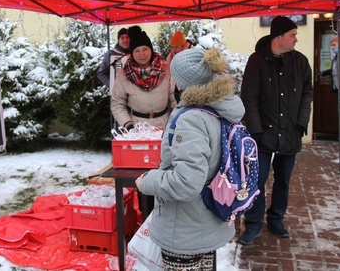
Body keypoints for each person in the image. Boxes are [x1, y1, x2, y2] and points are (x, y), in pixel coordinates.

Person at [135, 47, 245, 270]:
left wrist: (146, 181)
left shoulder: (192, 119)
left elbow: (186, 183)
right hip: (206, 221)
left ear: (183, 82)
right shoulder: (219, 109)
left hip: (185, 229)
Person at [238, 16, 313, 245]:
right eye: (292, 35)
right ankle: (253, 223)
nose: (296, 39)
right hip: (262, 134)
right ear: (278, 37)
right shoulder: (257, 61)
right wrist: (255, 130)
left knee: (283, 180)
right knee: (257, 180)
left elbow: (307, 92)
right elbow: (248, 98)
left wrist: (301, 123)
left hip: (290, 131)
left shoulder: (300, 62)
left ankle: (276, 218)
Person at [111, 26, 176, 131]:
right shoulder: (124, 74)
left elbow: (174, 101)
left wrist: (174, 122)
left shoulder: (166, 70)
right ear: (132, 53)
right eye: (136, 50)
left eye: (145, 49)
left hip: (164, 125)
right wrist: (128, 125)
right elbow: (117, 104)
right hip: (137, 128)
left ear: (151, 49)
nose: (142, 54)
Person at [166, 30, 193, 103]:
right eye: (172, 47)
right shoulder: (171, 57)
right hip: (174, 91)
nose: (174, 49)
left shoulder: (189, 56)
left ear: (182, 46)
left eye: (176, 47)